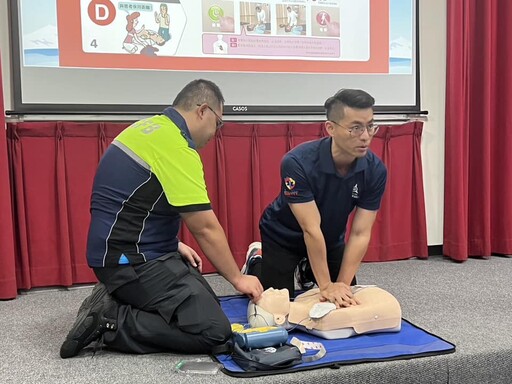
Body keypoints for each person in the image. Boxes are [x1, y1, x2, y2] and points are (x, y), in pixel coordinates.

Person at [60, 79, 263, 358]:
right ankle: (111, 321)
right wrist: (238, 279)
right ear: (203, 111)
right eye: (219, 122)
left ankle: (114, 294)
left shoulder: (147, 128)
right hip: (130, 262)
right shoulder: (176, 146)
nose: (216, 132)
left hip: (121, 251)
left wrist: (173, 242)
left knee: (206, 305)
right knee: (214, 332)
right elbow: (204, 227)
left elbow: (130, 200)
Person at [244, 89, 386, 308]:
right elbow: (310, 229)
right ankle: (257, 260)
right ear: (331, 128)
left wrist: (342, 286)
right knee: (277, 309)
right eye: (356, 128)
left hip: (329, 238)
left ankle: (310, 269)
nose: (366, 136)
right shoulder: (297, 162)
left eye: (370, 126)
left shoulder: (375, 170)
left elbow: (360, 233)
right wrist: (326, 287)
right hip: (283, 236)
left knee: (345, 303)